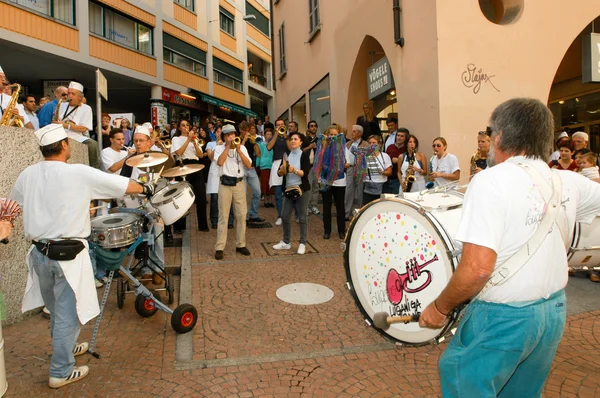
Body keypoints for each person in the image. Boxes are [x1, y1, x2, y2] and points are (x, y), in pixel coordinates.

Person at [418, 97, 600, 397]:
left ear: (500, 136)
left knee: (460, 375)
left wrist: (439, 308)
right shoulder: (568, 181)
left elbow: (477, 268)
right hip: (552, 311)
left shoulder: (491, 180)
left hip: (503, 317)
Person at [9, 124, 152, 388]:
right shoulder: (78, 172)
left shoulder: (28, 173)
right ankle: (60, 371)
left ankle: (67, 347)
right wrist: (146, 189)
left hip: (40, 254)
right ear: (64, 146)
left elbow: (12, 203)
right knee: (67, 314)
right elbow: (124, 186)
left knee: (55, 311)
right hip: (68, 258)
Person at [214, 125, 252, 260]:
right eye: (228, 135)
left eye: (232, 134)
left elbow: (248, 165)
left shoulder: (242, 148)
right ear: (224, 137)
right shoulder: (219, 148)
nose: (230, 137)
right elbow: (220, 162)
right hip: (225, 184)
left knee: (241, 215)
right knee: (223, 217)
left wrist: (239, 150)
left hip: (239, 183)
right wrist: (227, 147)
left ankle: (241, 244)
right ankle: (219, 247)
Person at [272, 132, 312, 254]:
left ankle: (302, 243)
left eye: (295, 139)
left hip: (302, 189)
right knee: (284, 216)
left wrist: (293, 170)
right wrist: (281, 170)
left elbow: (304, 173)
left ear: (300, 142)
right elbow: (279, 173)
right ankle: (286, 242)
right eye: (291, 139)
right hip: (289, 190)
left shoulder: (304, 155)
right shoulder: (286, 155)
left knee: (302, 217)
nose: (293, 141)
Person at [171, 119, 209, 232]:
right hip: (182, 164)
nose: (186, 127)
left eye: (187, 125)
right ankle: (179, 226)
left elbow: (200, 155)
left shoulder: (194, 138)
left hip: (195, 165)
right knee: (181, 197)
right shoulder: (176, 139)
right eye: (183, 125)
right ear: (179, 128)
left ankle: (203, 225)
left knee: (201, 196)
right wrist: (188, 140)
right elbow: (178, 153)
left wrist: (194, 142)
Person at [54, 82, 101, 169]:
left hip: (77, 136)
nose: (70, 96)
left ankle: (95, 168)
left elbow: (84, 128)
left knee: (93, 144)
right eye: (69, 93)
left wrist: (66, 126)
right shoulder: (61, 105)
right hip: (61, 135)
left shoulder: (86, 108)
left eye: (73, 94)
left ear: (80, 97)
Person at [316, 125, 348, 240]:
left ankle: (341, 231)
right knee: (326, 207)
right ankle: (327, 231)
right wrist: (320, 178)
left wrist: (339, 165)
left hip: (339, 181)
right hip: (326, 180)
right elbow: (318, 163)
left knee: (340, 207)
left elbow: (348, 162)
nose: (333, 137)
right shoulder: (323, 147)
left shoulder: (343, 147)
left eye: (335, 135)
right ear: (327, 135)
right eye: (331, 134)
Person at [240, 121, 264, 223]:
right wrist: (244, 140)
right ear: (241, 131)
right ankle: (244, 216)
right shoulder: (237, 139)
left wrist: (256, 144)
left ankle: (253, 213)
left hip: (251, 168)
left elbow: (258, 155)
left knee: (258, 191)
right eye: (245, 130)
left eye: (248, 130)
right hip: (241, 168)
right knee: (243, 194)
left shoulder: (252, 139)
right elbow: (238, 150)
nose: (247, 132)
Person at [267, 118, 289, 226]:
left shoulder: (289, 137)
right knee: (278, 194)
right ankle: (280, 215)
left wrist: (285, 136)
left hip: (288, 165)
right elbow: (269, 147)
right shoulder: (273, 137)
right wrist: (276, 133)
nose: (280, 126)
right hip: (276, 164)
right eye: (278, 125)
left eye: (282, 124)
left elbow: (291, 148)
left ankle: (296, 215)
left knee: (291, 191)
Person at [344, 125, 368, 219]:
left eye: (354, 131)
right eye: (352, 131)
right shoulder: (348, 144)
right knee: (348, 191)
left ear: (359, 133)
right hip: (350, 168)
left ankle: (358, 212)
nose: (352, 133)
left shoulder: (365, 144)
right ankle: (346, 213)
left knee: (359, 192)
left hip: (360, 169)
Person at [362, 135, 392, 205]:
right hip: (367, 186)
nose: (371, 145)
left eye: (374, 143)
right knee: (367, 207)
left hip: (381, 186)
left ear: (378, 144)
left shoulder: (385, 156)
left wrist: (383, 172)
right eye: (370, 143)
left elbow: (389, 172)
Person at [303, 120, 321, 215]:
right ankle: (306, 206)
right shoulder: (304, 139)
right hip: (307, 166)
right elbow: (301, 151)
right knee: (308, 187)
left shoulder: (320, 140)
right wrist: (309, 147)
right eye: (311, 126)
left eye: (315, 126)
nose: (313, 127)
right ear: (308, 128)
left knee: (316, 187)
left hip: (316, 166)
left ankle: (314, 206)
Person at [383, 127, 407, 194]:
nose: (399, 138)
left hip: (398, 180)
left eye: (402, 136)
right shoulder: (390, 147)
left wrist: (399, 161)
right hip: (387, 178)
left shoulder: (406, 149)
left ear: (405, 138)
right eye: (398, 135)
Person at [257, 129, 275, 208]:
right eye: (267, 134)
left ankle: (270, 201)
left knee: (270, 183)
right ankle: (266, 201)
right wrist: (258, 165)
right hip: (263, 165)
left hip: (271, 165)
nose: (269, 136)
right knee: (264, 183)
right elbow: (259, 155)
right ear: (264, 136)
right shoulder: (261, 145)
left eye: (270, 134)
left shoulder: (273, 144)